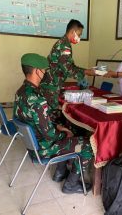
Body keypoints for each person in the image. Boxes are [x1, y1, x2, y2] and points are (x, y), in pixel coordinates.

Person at [14, 53, 93, 194]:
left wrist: (58, 127)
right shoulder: (37, 99)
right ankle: (71, 185)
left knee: (66, 128)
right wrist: (65, 133)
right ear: (37, 71)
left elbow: (38, 122)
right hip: (43, 148)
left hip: (34, 143)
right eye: (44, 70)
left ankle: (60, 173)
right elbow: (50, 135)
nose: (45, 73)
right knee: (88, 145)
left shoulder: (20, 92)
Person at [40, 19, 95, 119]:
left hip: (51, 83)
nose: (80, 37)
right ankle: (51, 134)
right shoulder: (64, 45)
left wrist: (86, 71)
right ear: (73, 32)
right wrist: (86, 72)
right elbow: (68, 69)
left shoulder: (63, 43)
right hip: (51, 85)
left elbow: (70, 66)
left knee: (50, 113)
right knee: (50, 116)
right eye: (80, 34)